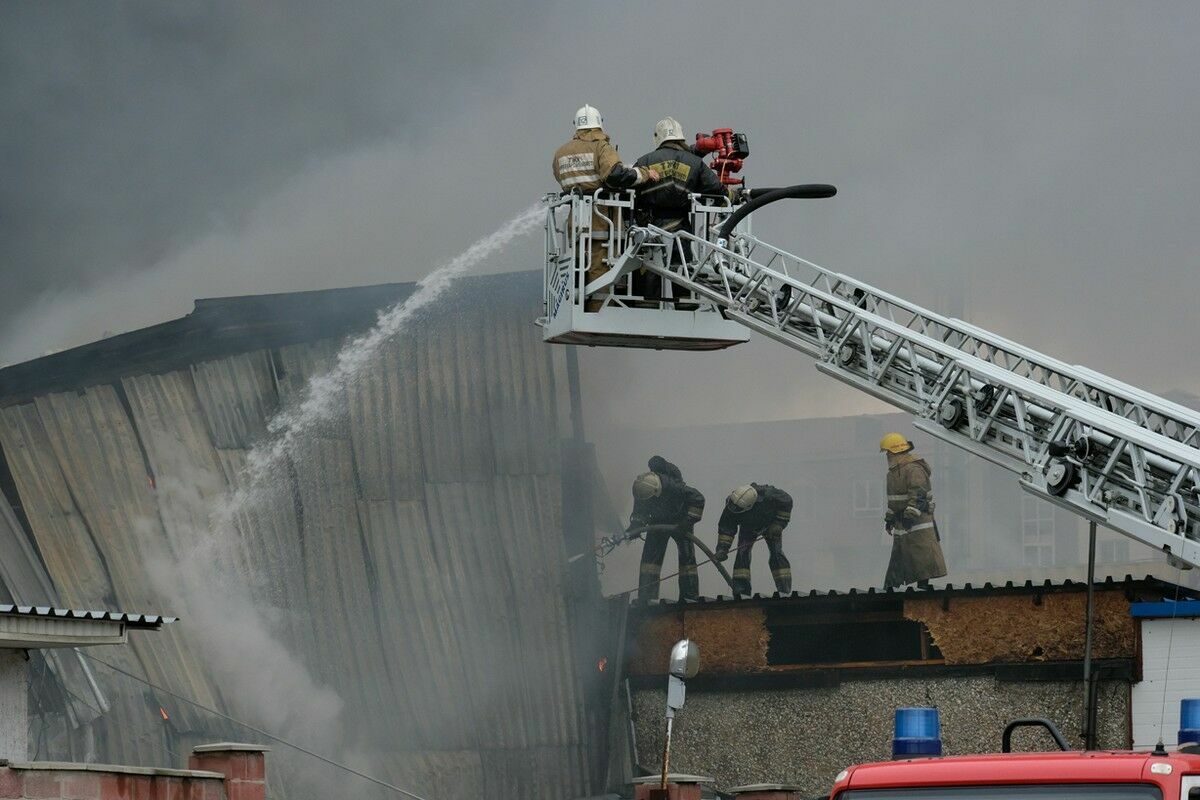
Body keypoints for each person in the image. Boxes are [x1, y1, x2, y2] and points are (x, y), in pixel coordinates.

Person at [552, 104, 658, 311]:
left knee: (581, 264)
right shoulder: (601, 146)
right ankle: (598, 310)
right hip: (602, 220)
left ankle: (581, 306)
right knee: (601, 268)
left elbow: (561, 178)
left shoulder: (561, 152)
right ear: (599, 123)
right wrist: (644, 173)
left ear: (577, 126)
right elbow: (614, 174)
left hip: (576, 220)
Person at [632, 117, 728, 307]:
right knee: (682, 263)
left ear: (658, 138)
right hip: (680, 224)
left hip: (651, 224)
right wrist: (731, 196)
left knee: (651, 263)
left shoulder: (644, 161)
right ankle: (686, 304)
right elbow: (717, 189)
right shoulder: (694, 162)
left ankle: (648, 305)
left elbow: (632, 193)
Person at [879, 433, 949, 589]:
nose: (887, 456)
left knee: (922, 556)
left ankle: (922, 588)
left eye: (888, 452)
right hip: (902, 523)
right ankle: (891, 588)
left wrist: (910, 516)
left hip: (918, 522)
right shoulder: (892, 474)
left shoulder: (913, 469)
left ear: (895, 451)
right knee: (900, 557)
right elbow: (894, 500)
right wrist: (889, 519)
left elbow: (918, 495)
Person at [629, 461, 705, 602]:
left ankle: (690, 597)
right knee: (649, 562)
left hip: (680, 522)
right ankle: (647, 597)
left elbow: (698, 499)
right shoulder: (643, 488)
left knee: (686, 559)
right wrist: (635, 525)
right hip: (658, 522)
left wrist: (687, 522)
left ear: (657, 490)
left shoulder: (674, 487)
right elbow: (640, 510)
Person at [714, 483, 793, 596]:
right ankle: (741, 591)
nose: (735, 510)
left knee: (776, 553)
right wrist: (722, 549)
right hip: (748, 528)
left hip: (770, 526)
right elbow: (726, 528)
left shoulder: (770, 495)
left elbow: (787, 501)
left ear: (750, 505)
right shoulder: (732, 504)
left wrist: (779, 524)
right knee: (742, 554)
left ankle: (784, 590)